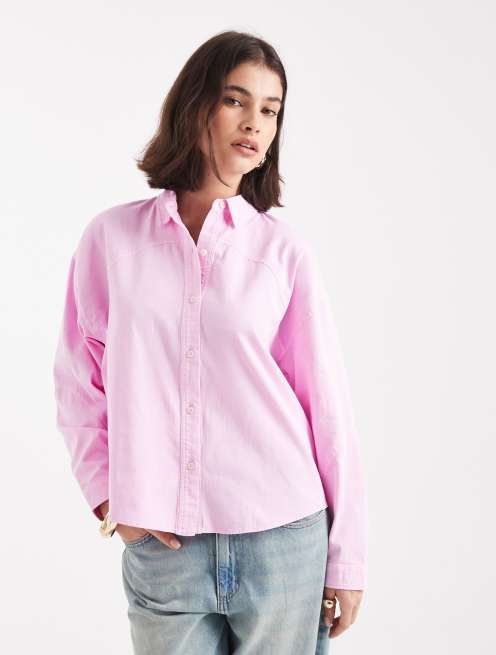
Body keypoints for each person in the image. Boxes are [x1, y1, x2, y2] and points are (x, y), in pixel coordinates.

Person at [52, 30, 368, 654]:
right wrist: (109, 498)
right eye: (235, 100)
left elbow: (327, 408)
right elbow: (78, 381)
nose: (254, 123)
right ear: (195, 105)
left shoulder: (283, 253)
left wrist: (348, 558)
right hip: (164, 547)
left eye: (270, 110)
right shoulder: (112, 240)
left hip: (283, 540)